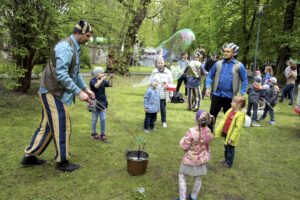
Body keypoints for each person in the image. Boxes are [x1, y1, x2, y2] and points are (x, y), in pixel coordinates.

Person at [21, 20, 94, 172]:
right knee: (62, 125)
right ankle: (62, 162)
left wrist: (85, 88)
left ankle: (29, 156)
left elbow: (75, 72)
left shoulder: (75, 47)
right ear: (78, 33)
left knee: (47, 127)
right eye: (87, 35)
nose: (89, 38)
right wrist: (78, 92)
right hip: (52, 92)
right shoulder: (65, 47)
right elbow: (61, 74)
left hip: (53, 92)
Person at [174, 110, 213, 200]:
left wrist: (183, 144)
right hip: (201, 159)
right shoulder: (208, 131)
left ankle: (182, 198)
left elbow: (185, 146)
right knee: (198, 178)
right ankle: (193, 197)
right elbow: (209, 142)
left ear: (196, 120)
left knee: (182, 176)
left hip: (189, 160)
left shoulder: (192, 131)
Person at [205, 43, 248, 119]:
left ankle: (225, 131)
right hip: (216, 95)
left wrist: (241, 94)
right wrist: (208, 87)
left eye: (228, 51)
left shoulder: (239, 65)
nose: (225, 53)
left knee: (228, 119)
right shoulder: (218, 64)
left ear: (233, 53)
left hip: (230, 97)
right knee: (211, 117)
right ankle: (210, 131)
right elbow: (209, 75)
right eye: (224, 51)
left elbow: (244, 80)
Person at [215, 96, 246, 168]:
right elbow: (224, 120)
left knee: (230, 150)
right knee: (226, 147)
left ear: (239, 104)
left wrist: (231, 139)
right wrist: (221, 130)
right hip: (226, 133)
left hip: (231, 137)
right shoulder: (230, 110)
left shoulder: (240, 115)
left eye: (233, 102)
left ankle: (229, 163)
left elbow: (237, 129)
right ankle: (226, 159)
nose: (231, 103)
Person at [89, 67, 113, 142]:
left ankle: (103, 134)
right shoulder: (92, 80)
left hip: (103, 102)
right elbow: (96, 86)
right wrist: (102, 79)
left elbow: (110, 84)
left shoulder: (103, 81)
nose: (103, 74)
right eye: (101, 73)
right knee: (94, 119)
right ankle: (94, 134)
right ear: (97, 74)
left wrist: (111, 78)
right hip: (93, 102)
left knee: (103, 119)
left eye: (103, 73)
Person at [150, 57, 173, 128]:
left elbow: (171, 83)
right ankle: (153, 120)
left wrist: (171, 93)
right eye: (159, 63)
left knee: (163, 108)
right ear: (157, 64)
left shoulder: (168, 72)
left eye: (161, 63)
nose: (160, 64)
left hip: (163, 93)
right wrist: (152, 85)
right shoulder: (154, 72)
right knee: (154, 108)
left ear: (164, 63)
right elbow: (150, 81)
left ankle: (164, 121)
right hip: (155, 93)